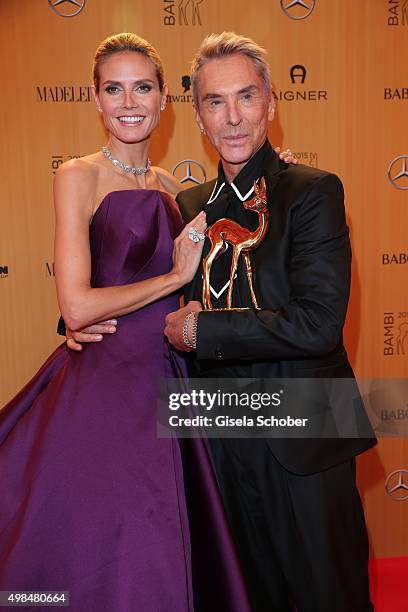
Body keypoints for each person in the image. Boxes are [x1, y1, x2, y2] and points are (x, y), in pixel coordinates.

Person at [0, 32, 256, 612]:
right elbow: (78, 306)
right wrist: (170, 281)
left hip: (171, 376)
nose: (129, 101)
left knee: (173, 533)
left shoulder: (178, 190)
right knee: (112, 536)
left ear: (166, 98)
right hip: (108, 382)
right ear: (95, 98)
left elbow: (242, 238)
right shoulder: (77, 175)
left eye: (142, 87)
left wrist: (279, 172)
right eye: (113, 89)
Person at [162, 33, 376, 612]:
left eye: (246, 97)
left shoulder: (313, 191)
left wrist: (208, 332)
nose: (233, 118)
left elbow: (319, 324)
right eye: (214, 102)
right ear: (199, 118)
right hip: (220, 442)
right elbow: (163, 309)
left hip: (304, 436)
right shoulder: (188, 207)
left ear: (271, 104)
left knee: (328, 594)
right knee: (245, 595)